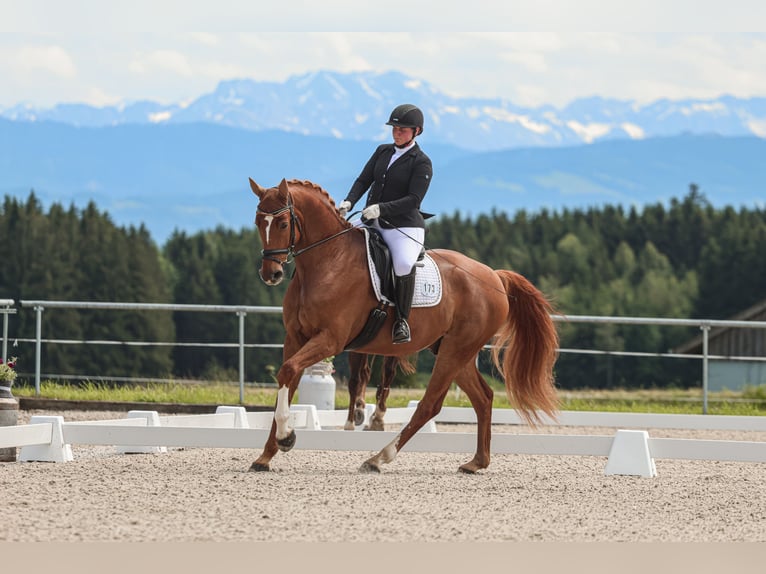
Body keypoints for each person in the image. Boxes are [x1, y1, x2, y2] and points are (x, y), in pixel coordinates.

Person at [338, 104, 433, 344]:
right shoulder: (382, 151)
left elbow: (414, 200)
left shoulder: (421, 162)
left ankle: (402, 321)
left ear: (416, 131)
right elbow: (363, 180)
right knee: (340, 244)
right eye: (394, 128)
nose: (396, 132)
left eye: (402, 129)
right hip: (371, 219)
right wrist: (349, 202)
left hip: (404, 226)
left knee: (402, 264)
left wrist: (382, 208)